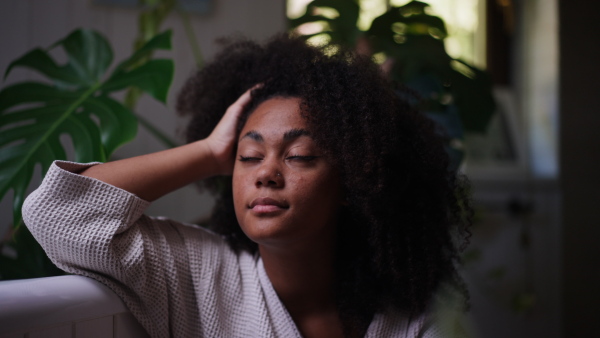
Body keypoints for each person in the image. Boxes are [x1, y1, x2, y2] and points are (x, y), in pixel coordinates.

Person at [23, 34, 472, 337]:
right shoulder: (198, 273)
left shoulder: (405, 319)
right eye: (249, 156)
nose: (265, 173)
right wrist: (209, 152)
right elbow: (58, 214)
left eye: (298, 156)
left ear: (353, 181)